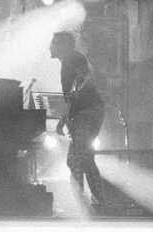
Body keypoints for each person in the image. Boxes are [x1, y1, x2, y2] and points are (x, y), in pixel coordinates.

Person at [51, 31, 105, 207]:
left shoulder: (72, 58)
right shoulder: (69, 61)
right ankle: (82, 201)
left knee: (83, 157)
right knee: (76, 159)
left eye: (54, 43)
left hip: (87, 113)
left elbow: (85, 80)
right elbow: (71, 96)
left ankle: (96, 201)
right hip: (84, 113)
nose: (50, 47)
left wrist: (73, 98)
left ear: (64, 44)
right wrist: (65, 118)